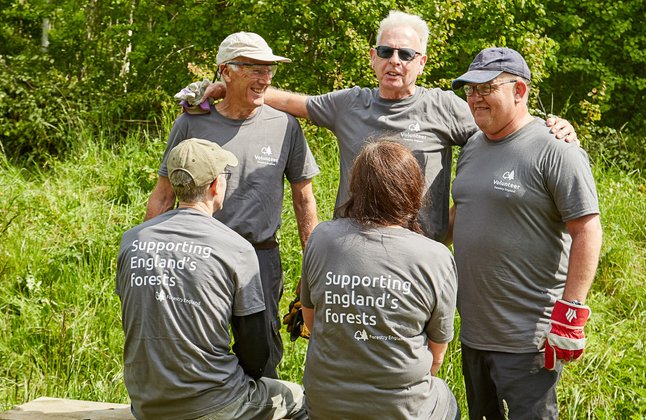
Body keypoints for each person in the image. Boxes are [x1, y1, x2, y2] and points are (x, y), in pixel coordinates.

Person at [202, 11, 576, 242]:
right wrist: (229, 87)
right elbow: (295, 103)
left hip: (420, 252)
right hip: (351, 247)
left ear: (422, 62)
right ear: (373, 58)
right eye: (385, 52)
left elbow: (504, 131)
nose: (394, 61)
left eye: (405, 54)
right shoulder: (348, 104)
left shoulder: (445, 107)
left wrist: (549, 127)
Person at [145, 32, 320, 379]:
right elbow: (164, 193)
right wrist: (148, 255)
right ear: (226, 72)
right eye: (255, 69)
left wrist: (311, 267)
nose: (265, 78)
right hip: (197, 258)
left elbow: (304, 198)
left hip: (260, 259)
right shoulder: (192, 123)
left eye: (268, 69)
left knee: (261, 356)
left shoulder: (284, 125)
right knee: (194, 350)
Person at [449, 47, 603, 419]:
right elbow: (461, 216)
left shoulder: (555, 149)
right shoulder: (473, 146)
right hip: (473, 333)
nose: (475, 98)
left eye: (487, 88)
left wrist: (572, 311)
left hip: (526, 341)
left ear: (520, 90)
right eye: (470, 90)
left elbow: (587, 228)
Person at [116, 138, 307, 419]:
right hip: (214, 403)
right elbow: (255, 349)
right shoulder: (235, 248)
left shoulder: (133, 240)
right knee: (302, 399)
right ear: (217, 185)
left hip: (146, 403)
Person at [299, 140, 459, 419]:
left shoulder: (321, 238)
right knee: (446, 397)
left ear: (356, 188)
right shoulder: (436, 257)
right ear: (413, 190)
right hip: (401, 409)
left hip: (325, 403)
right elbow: (437, 356)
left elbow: (312, 323)